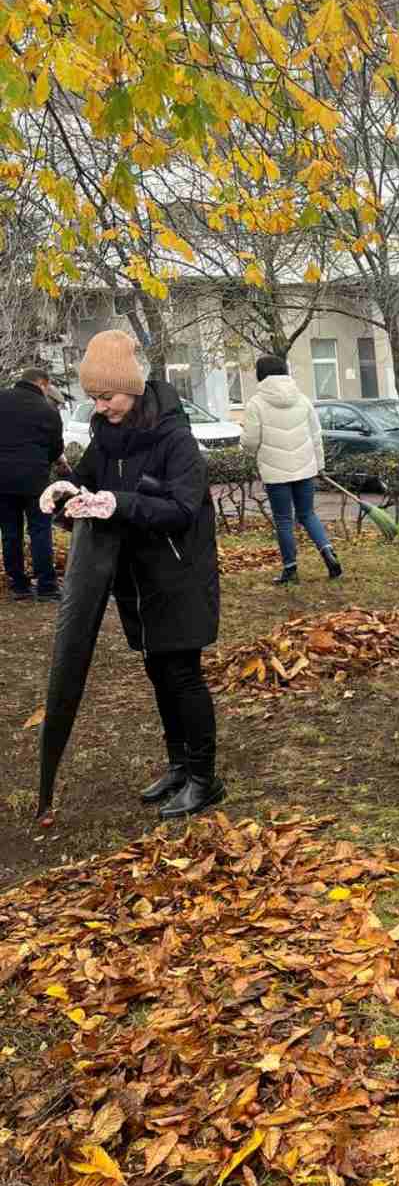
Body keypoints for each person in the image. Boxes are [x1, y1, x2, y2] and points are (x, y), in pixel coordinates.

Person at [40, 330, 223, 819]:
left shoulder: (175, 438)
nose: (101, 407)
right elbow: (89, 485)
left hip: (179, 575)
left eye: (108, 396)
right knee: (158, 672)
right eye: (95, 398)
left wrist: (118, 503)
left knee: (182, 675)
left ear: (132, 388)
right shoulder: (107, 437)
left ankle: (205, 779)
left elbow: (183, 509)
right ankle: (179, 766)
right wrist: (64, 493)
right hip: (136, 579)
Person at [240, 354, 342, 586]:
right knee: (308, 514)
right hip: (305, 469)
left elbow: (250, 442)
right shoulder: (302, 399)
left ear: (260, 374)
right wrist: (320, 465)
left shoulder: (256, 403)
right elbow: (316, 435)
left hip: (276, 473)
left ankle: (290, 569)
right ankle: (328, 552)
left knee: (284, 520)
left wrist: (245, 444)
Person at [0, 368, 65, 602]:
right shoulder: (48, 410)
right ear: (43, 384)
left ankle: (19, 585)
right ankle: (46, 586)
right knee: (40, 530)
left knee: (10, 531)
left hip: (2, 479)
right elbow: (56, 448)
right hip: (35, 480)